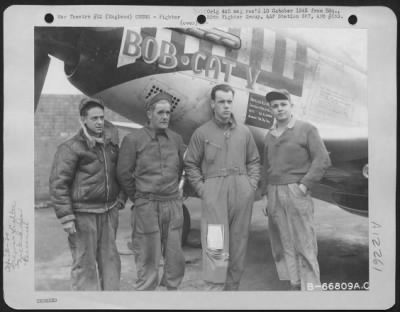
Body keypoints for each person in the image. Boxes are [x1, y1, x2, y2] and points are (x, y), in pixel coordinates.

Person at [184, 84, 260, 291]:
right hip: (214, 191)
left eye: (229, 102)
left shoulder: (244, 132)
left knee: (238, 245)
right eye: (221, 102)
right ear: (212, 104)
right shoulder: (202, 133)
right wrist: (203, 189)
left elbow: (254, 160)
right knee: (215, 246)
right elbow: (190, 163)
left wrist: (250, 185)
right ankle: (214, 293)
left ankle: (231, 294)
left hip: (241, 190)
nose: (226, 106)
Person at [49, 97, 126, 290]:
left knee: (111, 263)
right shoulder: (70, 148)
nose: (100, 122)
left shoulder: (111, 145)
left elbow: (122, 174)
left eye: (101, 117)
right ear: (83, 119)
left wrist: (121, 200)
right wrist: (66, 217)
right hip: (83, 215)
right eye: (94, 118)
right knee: (85, 265)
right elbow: (59, 184)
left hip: (108, 212)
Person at [261, 89, 331, 291]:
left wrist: (304, 185)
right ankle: (294, 282)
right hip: (273, 192)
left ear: (291, 105)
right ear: (270, 109)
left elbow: (322, 159)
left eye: (283, 104)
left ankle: (311, 288)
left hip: (295, 190)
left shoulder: (307, 129)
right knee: (283, 241)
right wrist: (265, 195)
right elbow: (266, 167)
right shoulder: (269, 134)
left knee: (304, 241)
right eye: (275, 106)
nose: (279, 109)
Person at [117, 92, 186, 291]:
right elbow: (123, 173)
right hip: (146, 205)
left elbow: (181, 168)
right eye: (160, 112)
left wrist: (175, 192)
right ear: (149, 114)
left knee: (175, 260)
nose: (165, 116)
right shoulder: (133, 140)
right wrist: (139, 197)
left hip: (173, 205)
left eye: (168, 113)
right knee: (147, 261)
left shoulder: (176, 139)